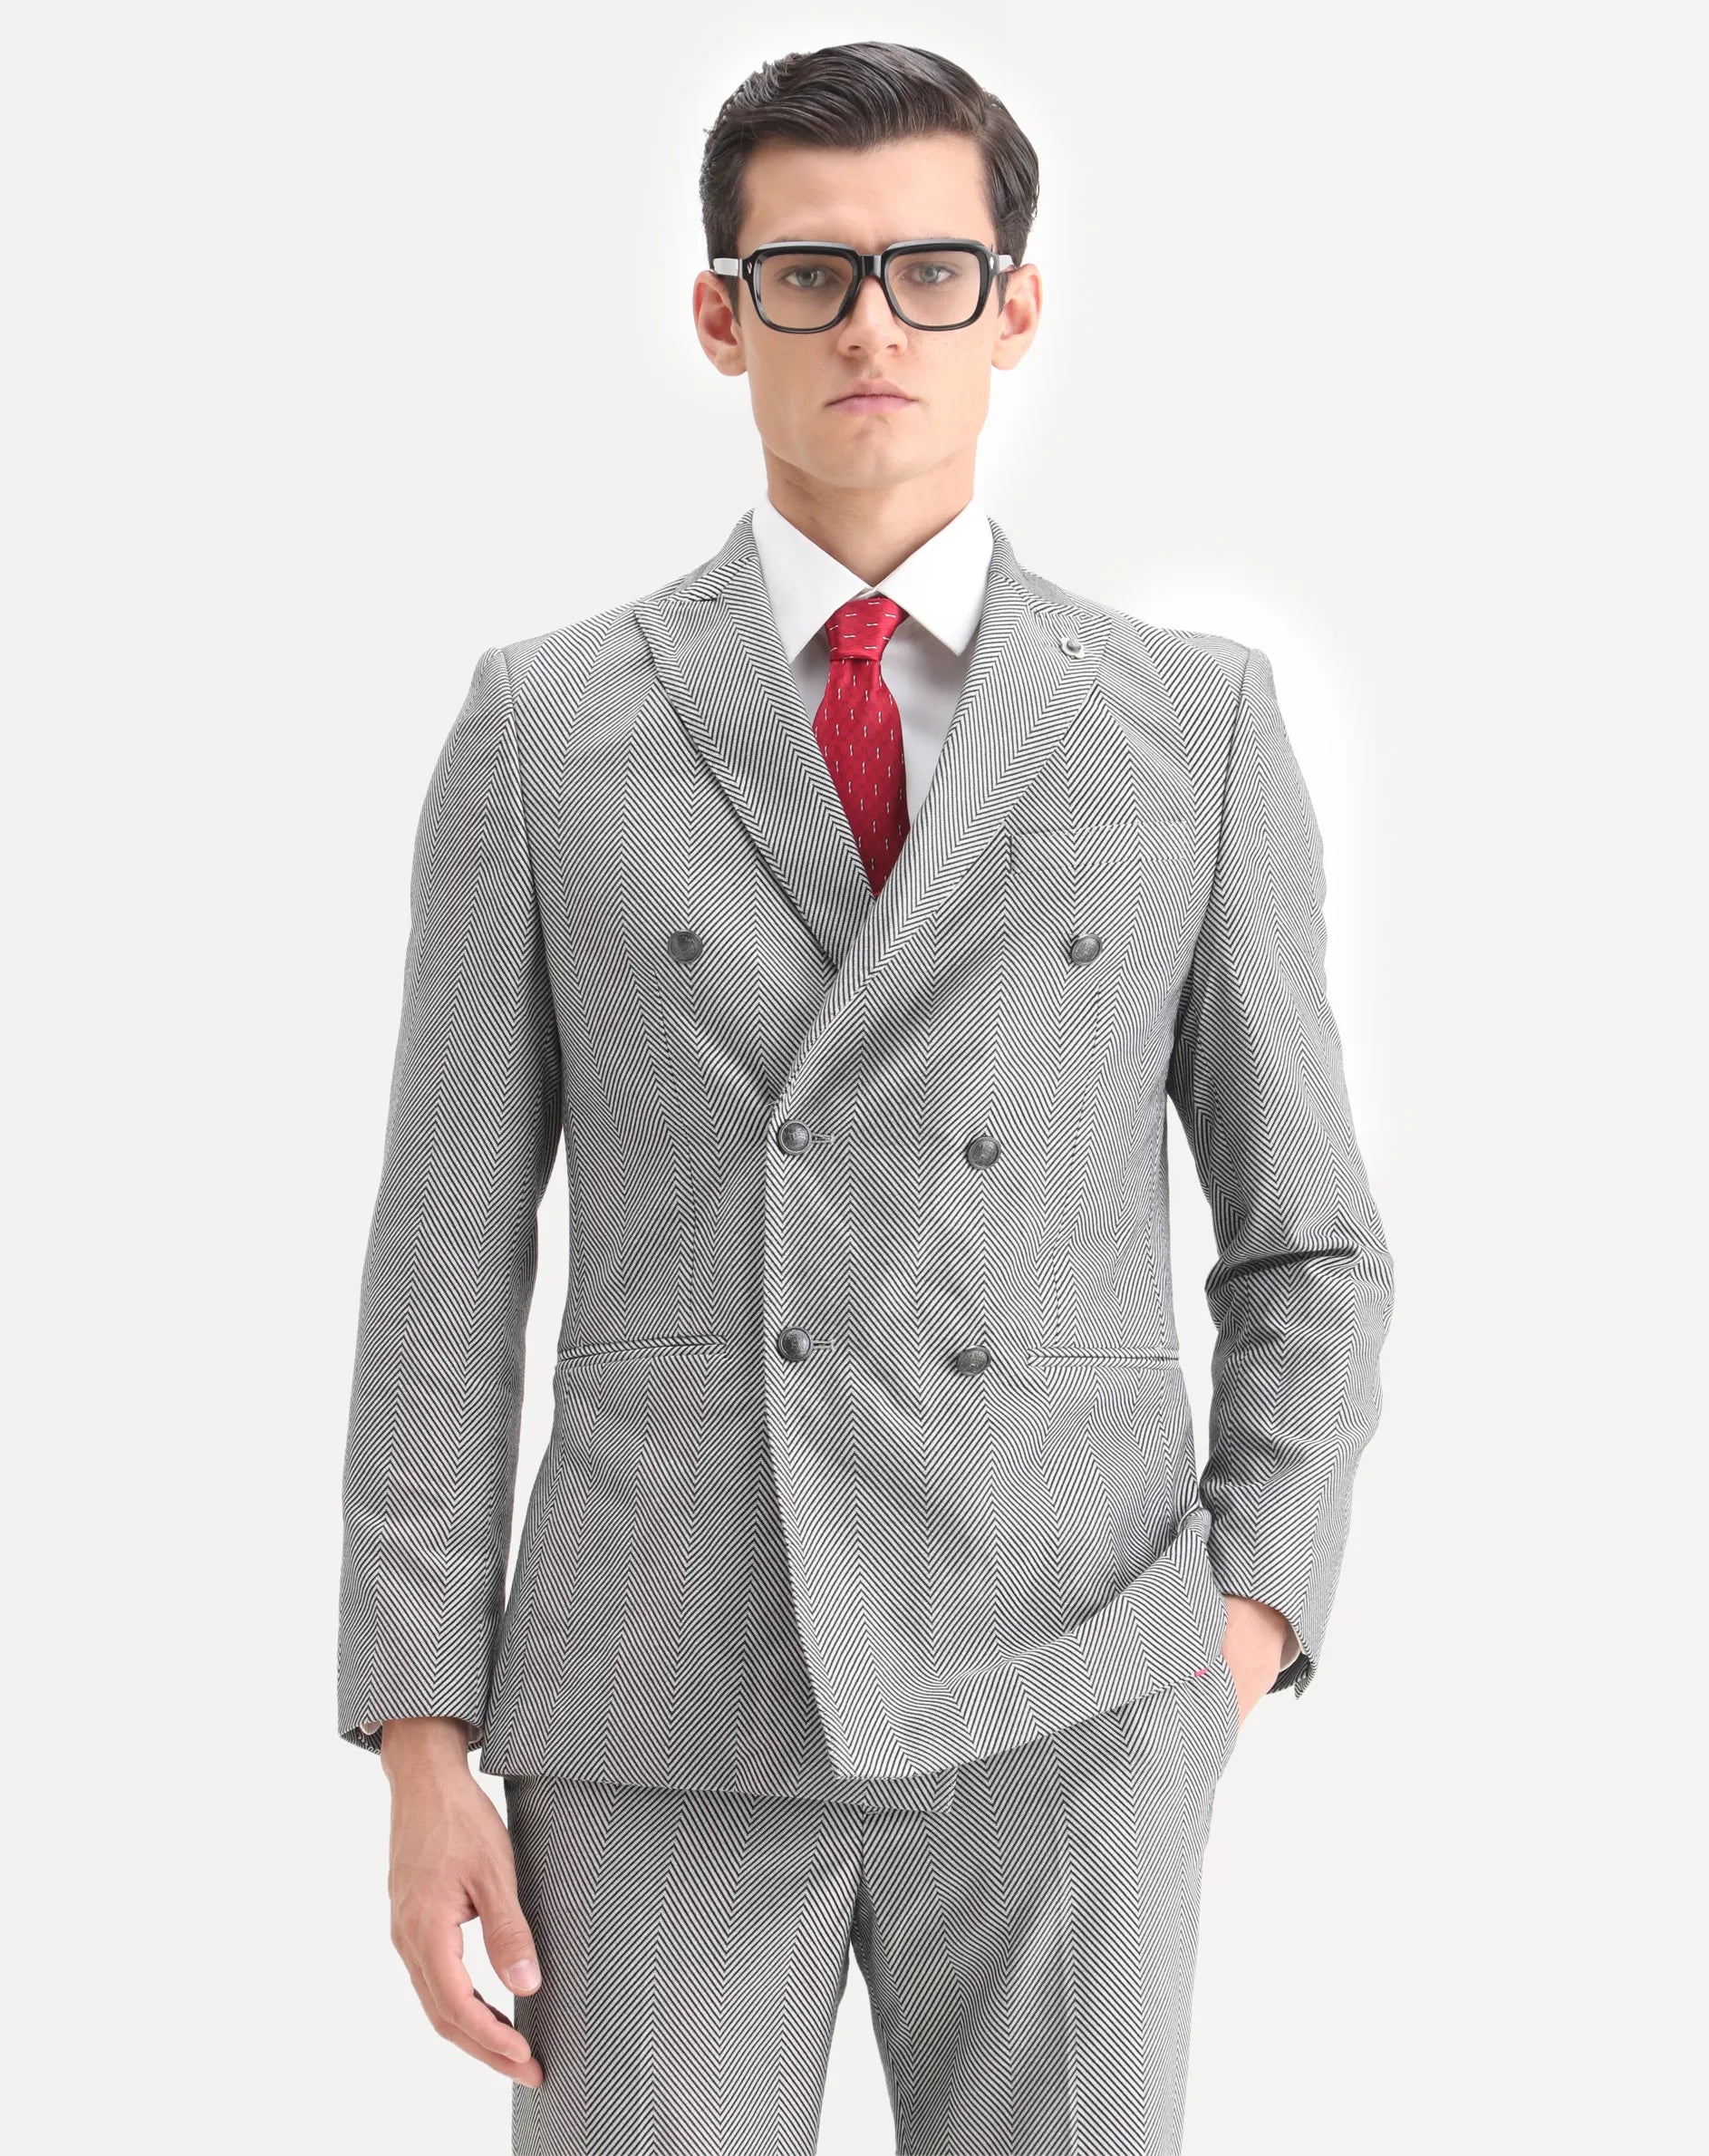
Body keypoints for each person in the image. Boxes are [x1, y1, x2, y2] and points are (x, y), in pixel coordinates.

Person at [337, 39, 1395, 2156]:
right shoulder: (548, 725)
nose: (874, 328)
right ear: (719, 313)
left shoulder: (1191, 724)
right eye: (810, 275)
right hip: (655, 1688)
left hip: (1072, 1676)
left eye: (931, 270)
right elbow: (443, 1265)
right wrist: (423, 1734)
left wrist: (1236, 1621)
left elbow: (1310, 1239)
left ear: (1017, 305)